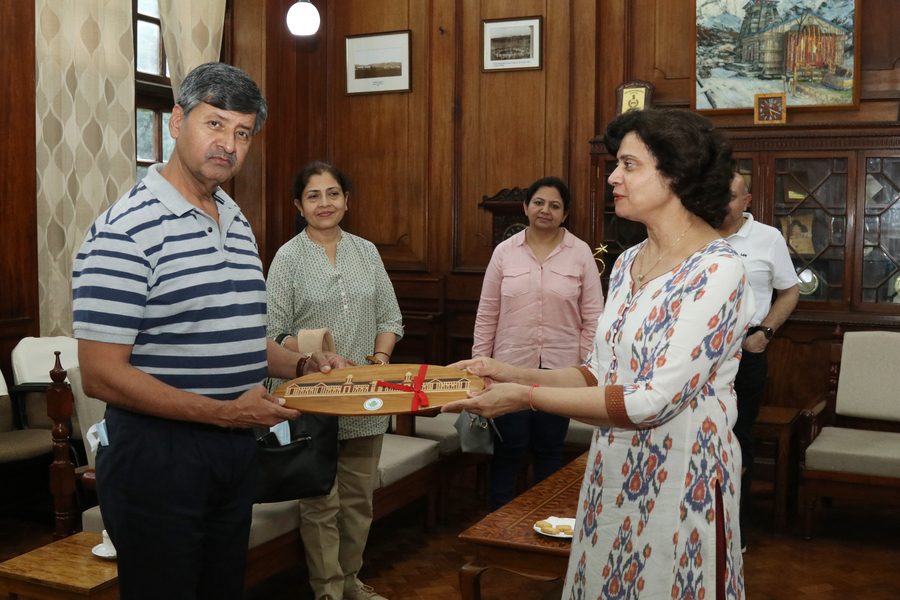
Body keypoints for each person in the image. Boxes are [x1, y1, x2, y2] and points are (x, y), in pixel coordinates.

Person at [443, 108, 754, 599]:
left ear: (676, 173)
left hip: (682, 475)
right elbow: (598, 373)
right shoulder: (628, 262)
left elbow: (651, 401)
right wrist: (506, 371)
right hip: (613, 467)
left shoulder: (719, 269)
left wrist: (523, 397)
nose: (613, 177)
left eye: (629, 165)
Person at [72, 63, 343, 600]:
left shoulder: (233, 219)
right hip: (159, 455)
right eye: (214, 124)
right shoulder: (125, 231)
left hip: (233, 450)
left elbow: (234, 336)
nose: (228, 144)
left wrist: (301, 365)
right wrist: (224, 413)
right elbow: (100, 375)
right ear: (177, 121)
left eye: (243, 132)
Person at [266, 161, 404, 600]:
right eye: (313, 196)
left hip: (365, 396)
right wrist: (311, 354)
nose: (324, 203)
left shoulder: (367, 251)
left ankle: (350, 583)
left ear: (346, 200)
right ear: (298, 205)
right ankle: (326, 590)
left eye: (332, 194)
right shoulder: (287, 258)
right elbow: (273, 332)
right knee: (320, 502)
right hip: (313, 397)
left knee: (358, 501)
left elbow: (390, 318)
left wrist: (379, 361)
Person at [472, 176, 604, 511]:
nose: (546, 210)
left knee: (549, 448)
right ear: (526, 207)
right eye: (539, 203)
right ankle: (499, 524)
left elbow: (593, 316)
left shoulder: (580, 253)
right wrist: (479, 366)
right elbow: (487, 312)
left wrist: (587, 369)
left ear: (565, 214)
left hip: (561, 373)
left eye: (555, 205)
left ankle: (547, 521)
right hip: (509, 368)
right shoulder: (504, 252)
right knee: (509, 447)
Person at [717, 173, 799, 551]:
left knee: (737, 438)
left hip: (746, 351)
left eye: (730, 197)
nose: (722, 203)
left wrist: (764, 333)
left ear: (747, 200)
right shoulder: (695, 231)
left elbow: (790, 290)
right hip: (699, 353)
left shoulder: (768, 238)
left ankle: (735, 532)